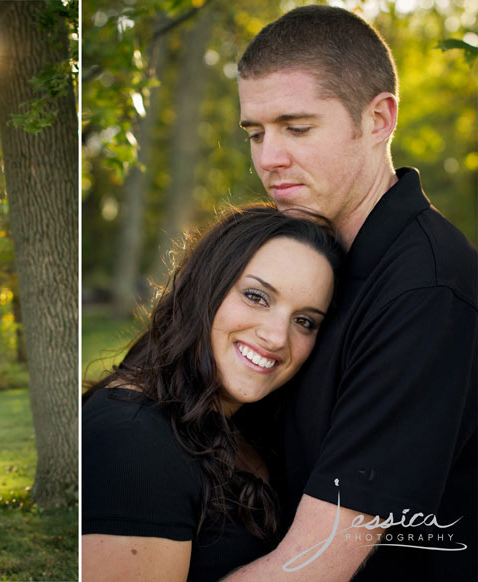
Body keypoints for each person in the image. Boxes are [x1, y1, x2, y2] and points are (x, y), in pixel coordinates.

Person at [224, 6, 477, 581]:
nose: (268, 159)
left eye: (297, 127)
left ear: (379, 119)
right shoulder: (302, 263)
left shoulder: (425, 291)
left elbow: (313, 567)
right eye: (256, 133)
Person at [82, 205, 345, 581]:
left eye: (304, 321)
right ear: (206, 287)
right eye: (257, 296)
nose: (276, 337)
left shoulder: (246, 423)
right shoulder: (134, 438)